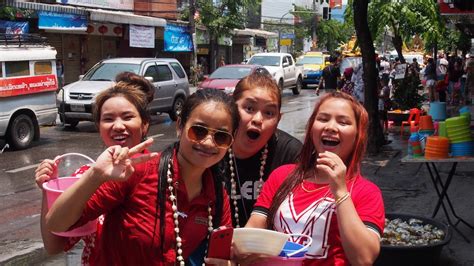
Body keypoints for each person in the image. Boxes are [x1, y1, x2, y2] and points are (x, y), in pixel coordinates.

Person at [43, 88, 240, 265]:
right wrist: (95, 175)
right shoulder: (136, 172)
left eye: (221, 137)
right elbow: (56, 224)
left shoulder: (216, 195)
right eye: (198, 130)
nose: (207, 142)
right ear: (180, 126)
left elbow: (219, 257)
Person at [245, 92, 385, 265]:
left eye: (343, 122)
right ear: (312, 128)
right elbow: (252, 231)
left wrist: (340, 192)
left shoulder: (366, 192)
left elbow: (363, 259)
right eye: (323, 119)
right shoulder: (282, 176)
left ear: (358, 135)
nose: (331, 127)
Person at [35, 72, 155, 264]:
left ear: (145, 124)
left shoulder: (164, 171)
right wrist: (48, 189)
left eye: (127, 117)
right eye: (108, 119)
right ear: (98, 127)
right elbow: (54, 245)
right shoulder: (86, 177)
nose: (118, 126)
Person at [219, 73, 302, 228]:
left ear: (278, 120)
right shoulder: (213, 146)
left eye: (269, 113)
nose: (258, 119)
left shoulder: (291, 154)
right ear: (231, 109)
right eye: (249, 108)